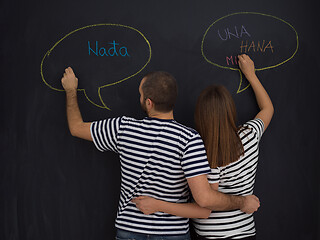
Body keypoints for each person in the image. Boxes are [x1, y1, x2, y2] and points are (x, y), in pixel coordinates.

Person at [60, 67, 260, 240]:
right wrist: (242, 201)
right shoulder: (190, 139)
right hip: (173, 233)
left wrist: (70, 90)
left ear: (148, 102)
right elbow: (204, 205)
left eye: (140, 94)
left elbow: (76, 128)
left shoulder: (123, 128)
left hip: (130, 230)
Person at [132, 54, 274, 240]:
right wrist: (251, 75)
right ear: (231, 109)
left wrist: (158, 204)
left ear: (201, 115)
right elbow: (267, 109)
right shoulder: (250, 134)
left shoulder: (205, 151)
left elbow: (207, 202)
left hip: (210, 234)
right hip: (245, 231)